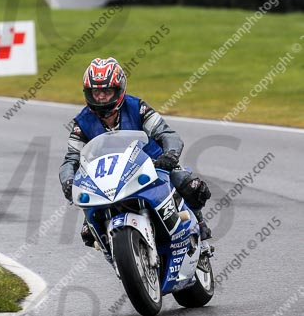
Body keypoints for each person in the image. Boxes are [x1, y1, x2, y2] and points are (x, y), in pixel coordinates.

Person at [59, 57, 212, 247]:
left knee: (193, 187)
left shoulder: (138, 108)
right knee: (88, 233)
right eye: (96, 92)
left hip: (152, 166)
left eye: (106, 91)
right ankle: (119, 255)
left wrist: (170, 155)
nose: (100, 98)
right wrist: (68, 181)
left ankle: (198, 220)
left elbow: (167, 134)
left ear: (119, 90)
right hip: (108, 178)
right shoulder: (81, 123)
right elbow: (71, 159)